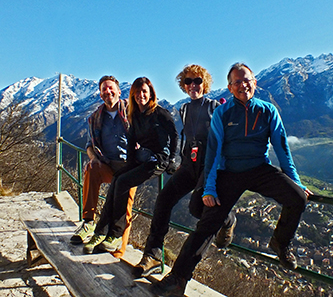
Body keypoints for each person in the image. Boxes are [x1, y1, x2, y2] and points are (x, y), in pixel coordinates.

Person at [150, 63, 312, 296]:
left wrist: (296, 182)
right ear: (230, 87)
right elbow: (213, 153)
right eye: (237, 82)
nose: (243, 85)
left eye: (246, 80)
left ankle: (281, 242)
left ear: (255, 82)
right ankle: (178, 278)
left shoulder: (268, 111)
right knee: (206, 223)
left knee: (297, 198)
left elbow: (283, 150)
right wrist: (210, 188)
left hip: (260, 168)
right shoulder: (223, 113)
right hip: (229, 171)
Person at [132, 64, 236, 278]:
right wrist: (181, 158)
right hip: (189, 164)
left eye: (197, 81)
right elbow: (186, 137)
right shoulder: (184, 109)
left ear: (204, 83)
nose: (192, 85)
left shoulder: (215, 107)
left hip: (208, 166)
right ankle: (152, 254)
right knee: (164, 199)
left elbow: (224, 141)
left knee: (197, 209)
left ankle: (228, 220)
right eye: (188, 81)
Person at [83, 77, 178, 255]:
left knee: (124, 183)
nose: (141, 95)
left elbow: (174, 135)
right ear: (132, 94)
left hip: (157, 161)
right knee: (119, 180)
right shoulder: (134, 115)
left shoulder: (159, 113)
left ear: (151, 93)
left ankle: (116, 236)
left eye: (144, 91)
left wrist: (171, 160)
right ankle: (101, 232)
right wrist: (131, 163)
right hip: (140, 159)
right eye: (137, 92)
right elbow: (132, 140)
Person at [70, 75, 136, 259]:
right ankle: (88, 222)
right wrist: (93, 158)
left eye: (110, 88)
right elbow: (89, 144)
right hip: (107, 164)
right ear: (100, 95)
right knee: (91, 169)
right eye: (104, 90)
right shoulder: (95, 118)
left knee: (126, 207)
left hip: (129, 167)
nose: (108, 92)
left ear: (119, 91)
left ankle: (118, 250)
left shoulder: (132, 112)